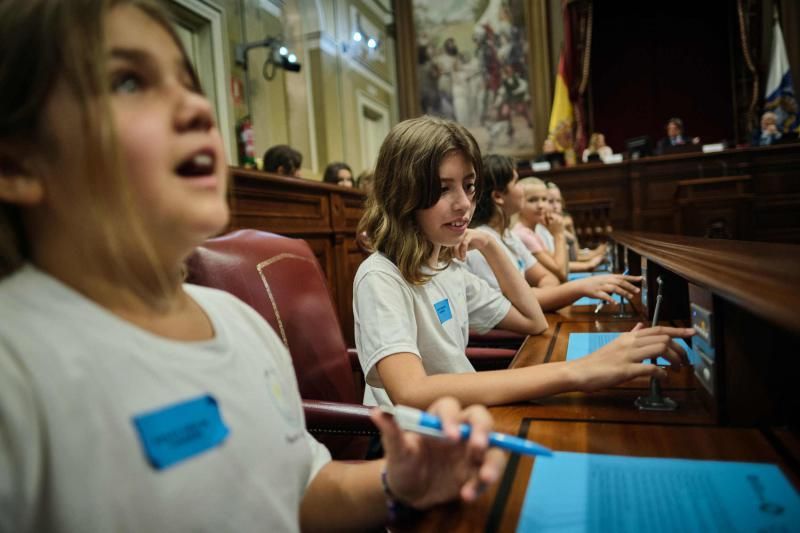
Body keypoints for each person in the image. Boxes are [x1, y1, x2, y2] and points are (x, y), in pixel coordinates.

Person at [0, 2, 507, 531]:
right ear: (16, 163)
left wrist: (398, 484)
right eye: (128, 82)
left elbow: (301, 490)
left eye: (189, 84)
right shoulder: (16, 367)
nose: (196, 108)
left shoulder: (238, 321)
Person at [354, 117, 694, 411]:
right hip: (410, 444)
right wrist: (577, 371)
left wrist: (488, 243)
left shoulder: (447, 267)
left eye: (469, 186)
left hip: (462, 421)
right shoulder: (380, 276)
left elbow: (533, 321)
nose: (464, 204)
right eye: (443, 189)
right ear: (404, 194)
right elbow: (412, 393)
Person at [467, 156, 634, 310]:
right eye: (517, 182)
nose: (522, 190)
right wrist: (581, 287)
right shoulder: (480, 242)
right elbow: (513, 305)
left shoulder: (507, 236)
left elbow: (547, 278)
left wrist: (535, 294)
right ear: (498, 196)